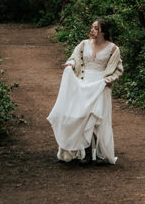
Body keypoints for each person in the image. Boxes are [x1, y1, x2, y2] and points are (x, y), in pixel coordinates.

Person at [47, 18, 123, 165]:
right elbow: (74, 58)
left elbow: (118, 69)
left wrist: (110, 79)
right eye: (92, 27)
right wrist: (70, 64)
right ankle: (82, 151)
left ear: (103, 31)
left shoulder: (113, 49)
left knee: (94, 118)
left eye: (96, 27)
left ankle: (97, 154)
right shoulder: (83, 44)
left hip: (100, 85)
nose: (92, 30)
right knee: (80, 116)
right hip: (83, 83)